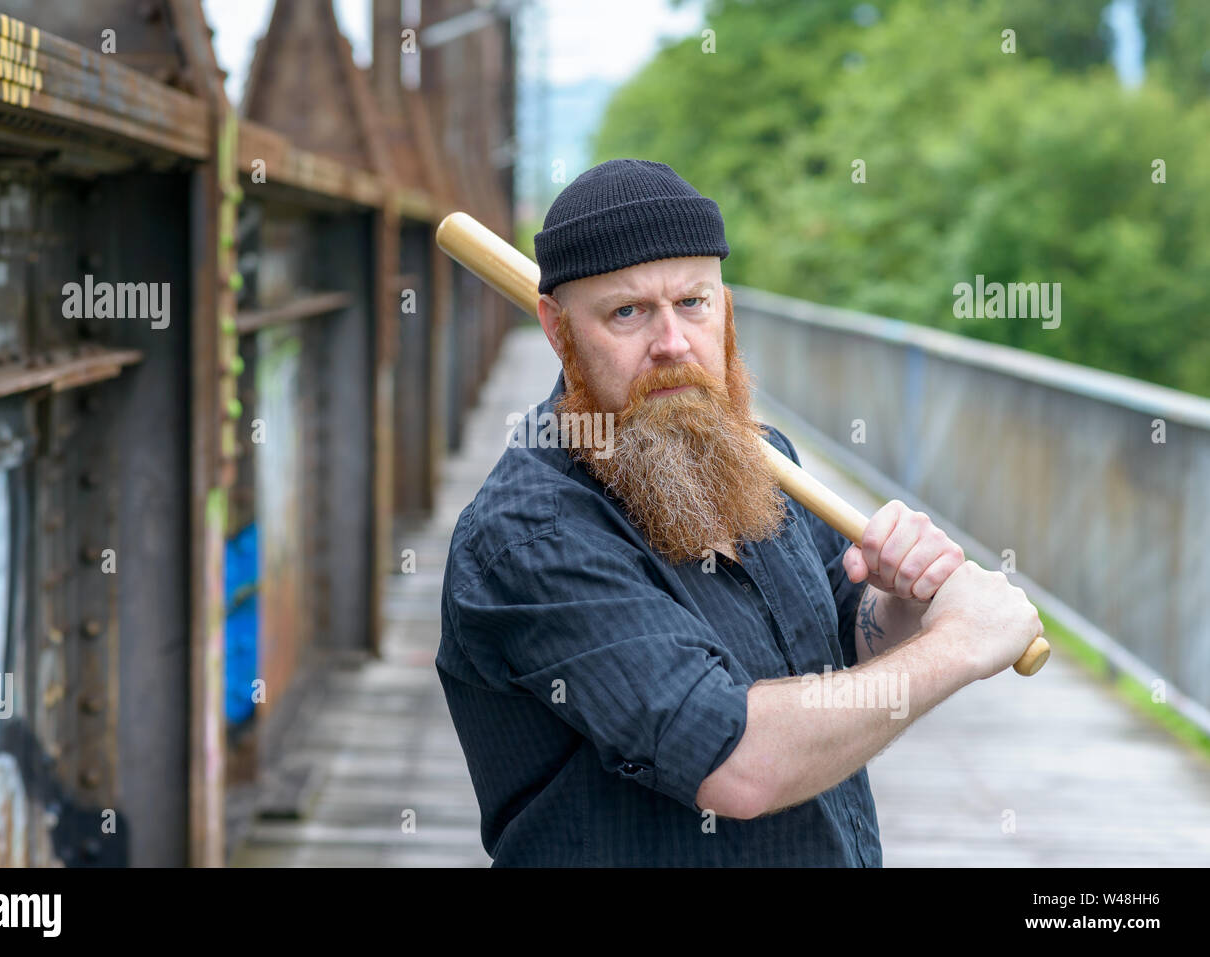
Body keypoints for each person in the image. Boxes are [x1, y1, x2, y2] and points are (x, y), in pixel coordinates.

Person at [436, 158, 1042, 866]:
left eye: (692, 302)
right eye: (627, 311)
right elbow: (733, 762)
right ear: (557, 327)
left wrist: (905, 600)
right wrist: (960, 647)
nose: (670, 342)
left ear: (725, 308)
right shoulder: (528, 537)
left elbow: (847, 644)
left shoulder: (758, 460)